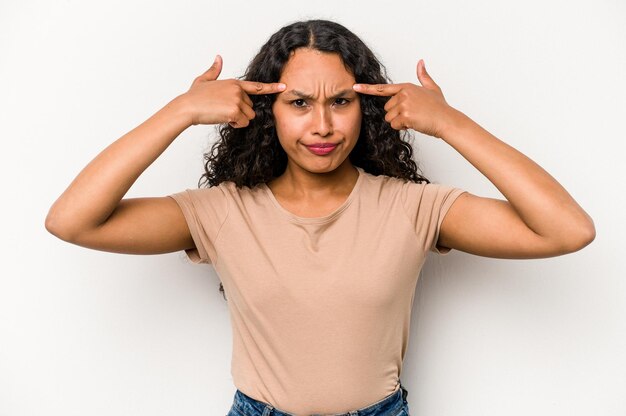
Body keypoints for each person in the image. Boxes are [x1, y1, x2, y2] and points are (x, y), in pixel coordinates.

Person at [45, 19, 594, 416]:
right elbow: (72, 221)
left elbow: (567, 230)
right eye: (300, 102)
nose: (324, 125)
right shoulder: (224, 211)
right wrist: (181, 110)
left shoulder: (411, 207)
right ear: (267, 110)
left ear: (368, 106)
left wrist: (452, 124)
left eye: (341, 101)